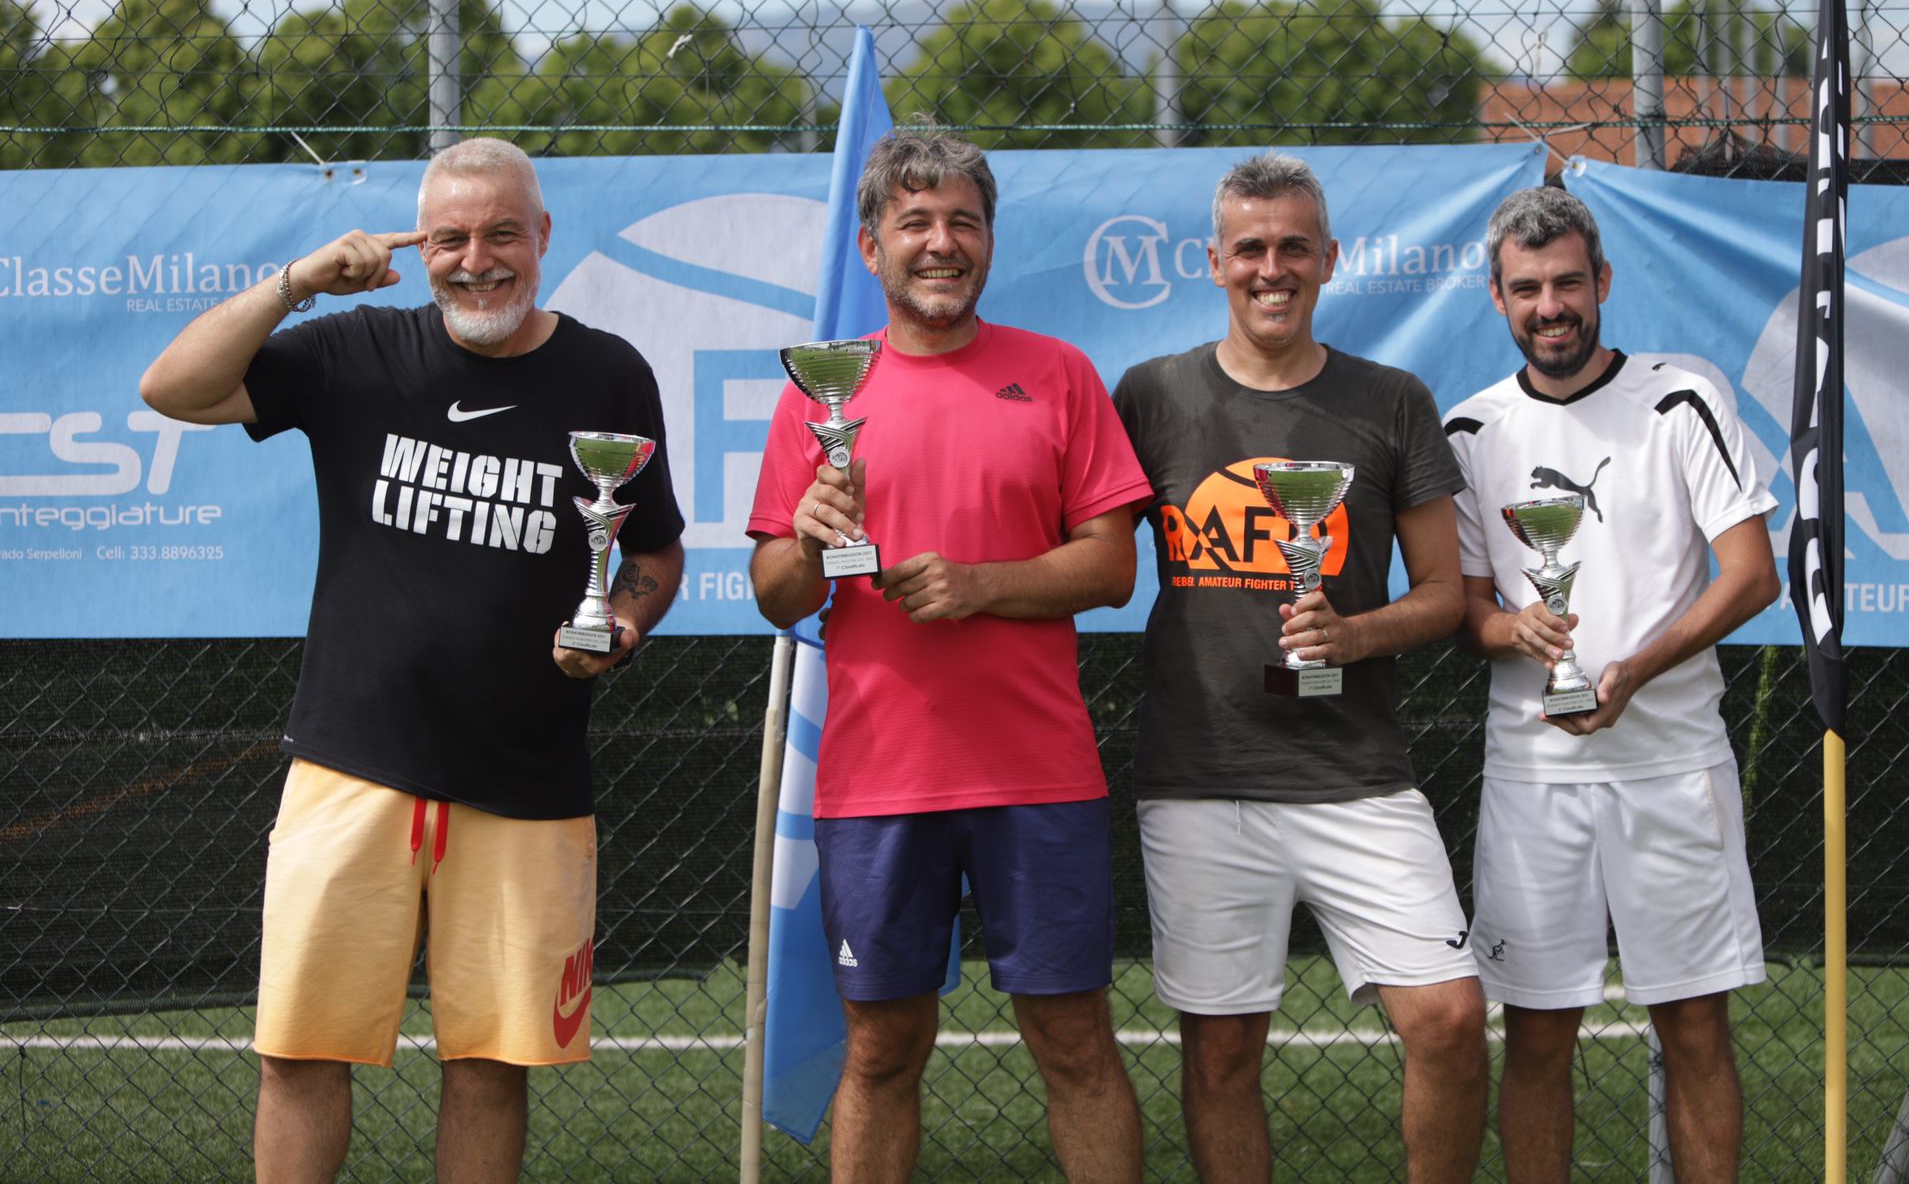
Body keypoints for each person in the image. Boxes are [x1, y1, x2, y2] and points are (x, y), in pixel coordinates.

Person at [138, 138, 684, 1184]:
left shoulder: (610, 372)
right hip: (351, 767)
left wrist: (618, 624)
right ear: (418, 246)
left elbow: (652, 547)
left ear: (543, 238)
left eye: (500, 234)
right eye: (449, 238)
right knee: (300, 1052)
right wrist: (298, 280)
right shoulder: (354, 350)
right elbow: (172, 385)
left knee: (487, 1066)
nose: (476, 260)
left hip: (523, 784)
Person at [747, 127, 1150, 1184]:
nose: (940, 242)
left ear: (988, 240)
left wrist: (980, 584)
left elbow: (1113, 567)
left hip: (1037, 773)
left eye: (961, 221)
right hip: (877, 783)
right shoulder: (815, 394)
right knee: (879, 1050)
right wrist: (806, 537)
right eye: (914, 221)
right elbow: (772, 594)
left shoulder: (1058, 374)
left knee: (1072, 1040)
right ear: (871, 246)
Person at [1110, 153, 1488, 1183]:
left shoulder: (1391, 398)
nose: (1268, 268)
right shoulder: (1149, 395)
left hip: (1356, 771)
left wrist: (1351, 634)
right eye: (1249, 249)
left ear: (1327, 259)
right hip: (1199, 772)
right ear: (1213, 261)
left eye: (1290, 248)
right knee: (1222, 1050)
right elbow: (1092, 554)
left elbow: (1445, 591)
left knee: (1450, 1015)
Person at [1443, 186, 1779, 1184]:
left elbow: (1749, 573)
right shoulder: (1469, 430)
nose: (1549, 306)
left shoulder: (1683, 394)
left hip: (1673, 764)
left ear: (1601, 282)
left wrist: (1633, 669)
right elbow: (1467, 612)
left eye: (1566, 284)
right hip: (1533, 779)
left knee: (1691, 1023)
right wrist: (1516, 625)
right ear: (1496, 297)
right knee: (1538, 1034)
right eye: (1526, 289)